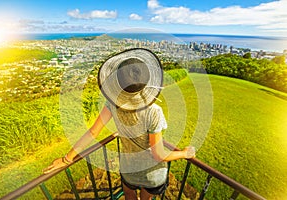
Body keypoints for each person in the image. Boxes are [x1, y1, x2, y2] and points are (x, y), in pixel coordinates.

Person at [43, 48, 195, 200]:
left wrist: (67, 159)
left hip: (129, 169)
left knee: (129, 194)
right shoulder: (153, 111)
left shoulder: (113, 104)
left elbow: (93, 132)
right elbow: (158, 154)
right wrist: (184, 153)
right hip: (151, 174)